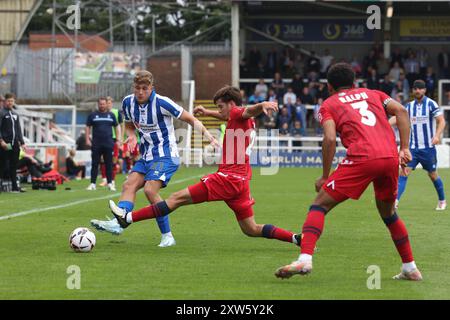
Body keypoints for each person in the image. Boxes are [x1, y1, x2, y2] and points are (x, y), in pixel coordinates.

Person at [92, 86, 301, 248]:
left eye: (220, 106)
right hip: (242, 181)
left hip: (227, 178)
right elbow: (229, 115)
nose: (220, 110)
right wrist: (208, 112)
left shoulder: (239, 112)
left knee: (175, 199)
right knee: (251, 229)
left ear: (231, 104)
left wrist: (262, 104)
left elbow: (246, 110)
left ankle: (126, 218)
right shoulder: (238, 118)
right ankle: (295, 238)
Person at [275, 63, 422, 281]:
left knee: (319, 205)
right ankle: (410, 267)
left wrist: (325, 175)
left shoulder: (329, 104)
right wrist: (405, 148)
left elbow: (330, 138)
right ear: (354, 83)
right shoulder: (374, 93)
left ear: (329, 86)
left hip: (362, 157)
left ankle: (305, 259)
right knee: (389, 214)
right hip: (390, 157)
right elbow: (401, 111)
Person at [91, 70, 218, 248]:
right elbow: (128, 125)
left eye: (145, 88)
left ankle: (167, 236)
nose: (141, 92)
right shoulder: (128, 102)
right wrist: (132, 136)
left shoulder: (162, 102)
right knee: (129, 185)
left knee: (150, 190)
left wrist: (208, 136)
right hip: (147, 156)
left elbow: (190, 118)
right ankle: (118, 224)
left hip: (166, 155)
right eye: (137, 88)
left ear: (152, 88)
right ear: (133, 88)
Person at [390, 80, 446, 211]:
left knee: (432, 175)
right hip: (412, 149)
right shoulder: (409, 107)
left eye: (420, 89)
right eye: (415, 89)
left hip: (428, 149)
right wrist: (386, 124)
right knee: (404, 172)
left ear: (424, 90)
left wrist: (437, 135)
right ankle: (395, 201)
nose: (417, 91)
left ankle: (442, 200)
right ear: (412, 91)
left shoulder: (431, 104)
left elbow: (441, 121)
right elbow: (398, 117)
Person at [85, 97, 119, 191]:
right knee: (95, 164)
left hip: (108, 144)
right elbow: (87, 127)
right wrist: (87, 139)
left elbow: (117, 126)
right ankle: (92, 184)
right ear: (98, 104)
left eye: (104, 104)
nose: (102, 105)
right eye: (100, 104)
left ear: (106, 104)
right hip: (96, 144)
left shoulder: (111, 115)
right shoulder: (92, 115)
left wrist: (118, 139)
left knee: (109, 164)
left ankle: (110, 183)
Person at [0, 93, 26, 192]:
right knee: (2, 165)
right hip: (5, 144)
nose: (10, 103)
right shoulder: (1, 113)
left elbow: (18, 129)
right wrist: (1, 141)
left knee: (13, 165)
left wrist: (22, 142)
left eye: (12, 101)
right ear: (4, 102)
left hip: (14, 144)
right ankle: (1, 185)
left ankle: (15, 187)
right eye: (8, 101)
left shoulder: (15, 114)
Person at [99, 96, 123, 188]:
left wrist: (120, 139)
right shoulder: (102, 114)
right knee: (102, 159)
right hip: (104, 139)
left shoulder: (116, 112)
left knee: (114, 160)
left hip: (114, 139)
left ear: (111, 104)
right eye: (106, 103)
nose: (107, 105)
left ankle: (112, 180)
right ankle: (104, 179)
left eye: (109, 103)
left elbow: (121, 125)